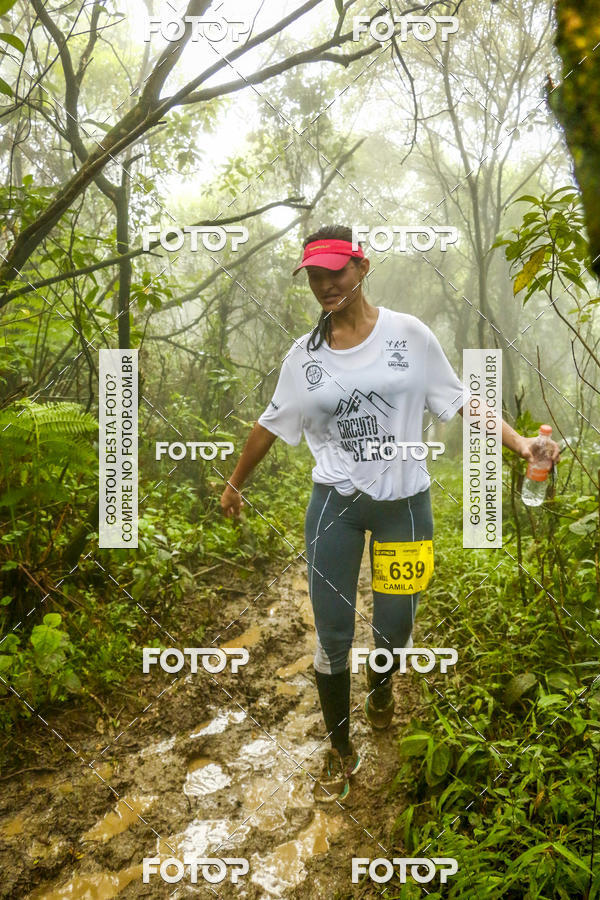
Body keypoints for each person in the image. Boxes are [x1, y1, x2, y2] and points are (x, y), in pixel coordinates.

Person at [219, 224, 561, 804]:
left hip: (406, 505)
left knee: (396, 629)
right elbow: (270, 422)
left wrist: (521, 443)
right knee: (330, 635)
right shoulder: (304, 356)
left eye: (337, 272)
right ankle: (339, 748)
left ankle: (380, 690)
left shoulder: (410, 335)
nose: (327, 285)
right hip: (334, 507)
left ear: (363, 267)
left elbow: (460, 401)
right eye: (316, 276)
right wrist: (234, 484)